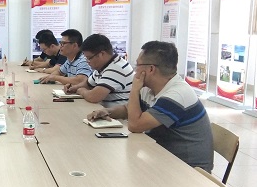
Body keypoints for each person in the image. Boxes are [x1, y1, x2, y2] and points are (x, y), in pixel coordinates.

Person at [87, 41, 213, 171]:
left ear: (151, 69)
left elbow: (135, 126)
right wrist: (108, 112)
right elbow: (128, 109)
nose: (135, 70)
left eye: (138, 65)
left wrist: (134, 89)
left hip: (187, 169)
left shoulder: (177, 94)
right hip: (162, 157)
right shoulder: (150, 88)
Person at [65, 33, 133, 107]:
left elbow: (93, 97)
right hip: (104, 110)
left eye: (89, 58)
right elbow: (88, 84)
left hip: (116, 113)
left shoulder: (117, 68)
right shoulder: (103, 66)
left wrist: (81, 91)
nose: (87, 61)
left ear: (101, 54)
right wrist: (73, 88)